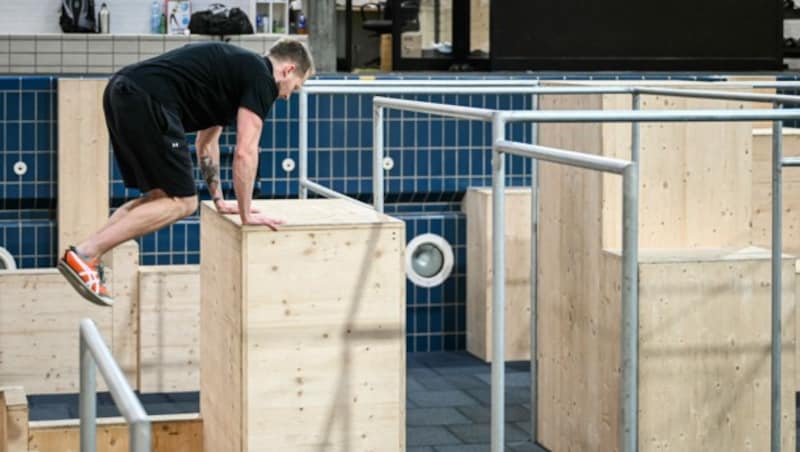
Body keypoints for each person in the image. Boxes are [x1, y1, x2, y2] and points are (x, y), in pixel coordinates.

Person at [58, 38, 314, 306]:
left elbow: (206, 144)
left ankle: (88, 256)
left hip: (122, 91)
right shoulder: (262, 78)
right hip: (147, 99)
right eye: (294, 87)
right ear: (288, 70)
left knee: (160, 197)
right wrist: (246, 213)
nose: (287, 96)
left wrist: (219, 200)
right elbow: (245, 152)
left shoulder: (237, 72)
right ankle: (86, 253)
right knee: (183, 202)